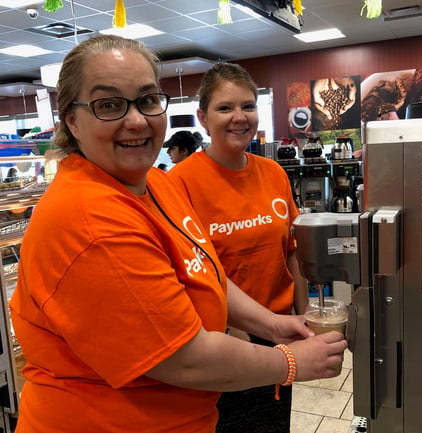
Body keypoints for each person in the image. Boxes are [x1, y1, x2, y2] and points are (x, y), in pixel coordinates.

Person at [9, 35, 347, 433]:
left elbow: (206, 273)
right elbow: (184, 357)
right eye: (109, 105)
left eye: (148, 99)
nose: (136, 120)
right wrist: (290, 362)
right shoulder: (90, 221)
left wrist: (272, 325)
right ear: (71, 119)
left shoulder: (154, 183)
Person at [168, 62, 309, 433]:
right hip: (221, 338)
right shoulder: (178, 183)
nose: (239, 117)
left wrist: (306, 313)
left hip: (281, 328)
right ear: (203, 117)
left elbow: (292, 251)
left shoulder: (273, 173)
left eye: (248, 106)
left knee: (274, 422)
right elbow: (183, 268)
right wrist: (230, 325)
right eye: (225, 107)